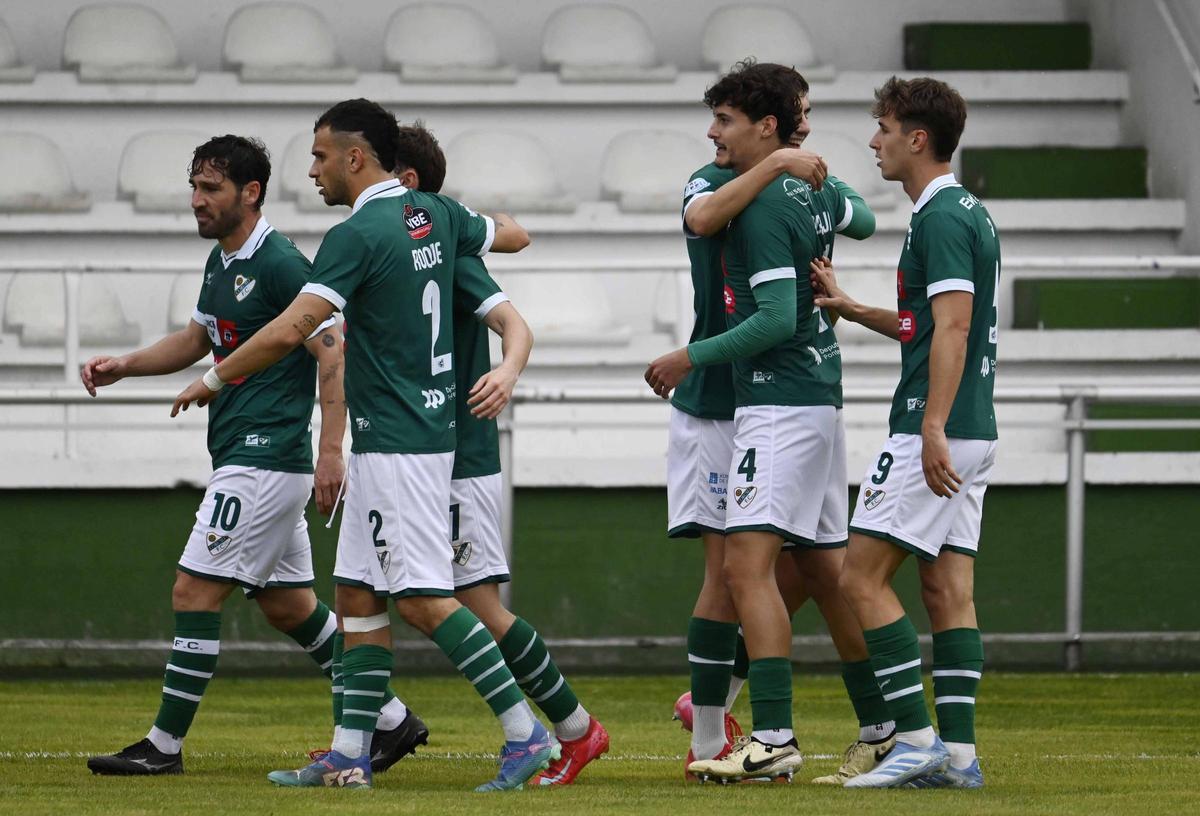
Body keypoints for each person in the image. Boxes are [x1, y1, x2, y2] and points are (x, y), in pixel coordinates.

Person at [171, 99, 547, 792]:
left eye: (319, 156)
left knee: (424, 601)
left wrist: (217, 374)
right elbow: (516, 236)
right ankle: (350, 754)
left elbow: (294, 329)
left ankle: (525, 734)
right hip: (407, 434)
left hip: (401, 440)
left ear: (354, 157)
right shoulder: (437, 213)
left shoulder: (357, 234)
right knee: (354, 595)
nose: (311, 170)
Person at [82, 135, 422, 776]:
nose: (196, 202)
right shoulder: (223, 261)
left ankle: (164, 746)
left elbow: (332, 350)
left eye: (210, 189)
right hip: (249, 456)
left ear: (251, 192)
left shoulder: (283, 265)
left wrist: (331, 451)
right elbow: (196, 337)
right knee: (288, 605)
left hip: (265, 459)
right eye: (195, 188)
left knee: (194, 590)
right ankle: (391, 719)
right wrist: (125, 365)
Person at [644, 60, 873, 783]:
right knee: (780, 570)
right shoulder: (715, 180)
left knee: (753, 571)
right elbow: (702, 219)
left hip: (759, 394)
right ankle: (876, 725)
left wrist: (808, 179)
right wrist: (781, 166)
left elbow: (858, 220)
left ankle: (745, 732)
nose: (711, 133)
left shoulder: (787, 195)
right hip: (730, 400)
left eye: (724, 120)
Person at [392, 123, 609, 785]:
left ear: (403, 184)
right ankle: (361, 736)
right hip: (406, 450)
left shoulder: (448, 253)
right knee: (376, 596)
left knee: (469, 603)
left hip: (456, 453)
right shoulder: (387, 248)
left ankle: (571, 729)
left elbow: (513, 320)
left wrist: (508, 370)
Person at [809, 76, 998, 789]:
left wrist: (931, 426)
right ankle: (958, 758)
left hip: (939, 424)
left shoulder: (940, 218)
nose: (873, 141)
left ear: (917, 138)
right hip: (975, 426)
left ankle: (913, 740)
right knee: (947, 589)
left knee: (859, 576)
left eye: (883, 128)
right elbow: (928, 325)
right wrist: (855, 310)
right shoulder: (967, 213)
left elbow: (952, 327)